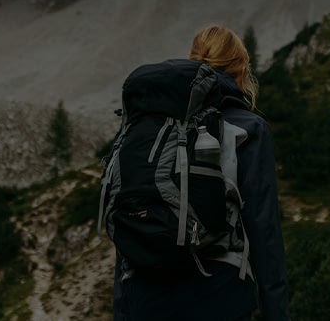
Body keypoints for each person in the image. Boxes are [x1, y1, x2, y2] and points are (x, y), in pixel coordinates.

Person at [112, 25, 290, 320]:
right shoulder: (247, 129)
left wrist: (122, 311)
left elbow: (126, 226)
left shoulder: (148, 129)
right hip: (219, 299)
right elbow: (264, 232)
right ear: (241, 69)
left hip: (145, 302)